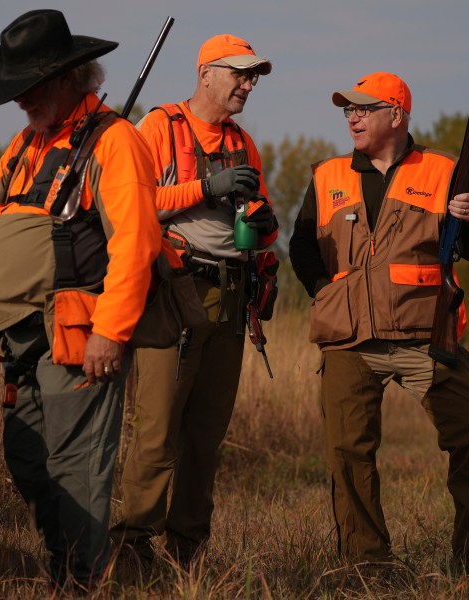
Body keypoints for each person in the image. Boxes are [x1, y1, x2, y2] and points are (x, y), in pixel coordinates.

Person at [0, 9, 162, 589]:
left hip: (76, 338)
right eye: (15, 91)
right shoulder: (26, 145)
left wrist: (110, 333)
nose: (20, 102)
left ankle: (82, 580)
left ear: (70, 78)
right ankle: (66, 564)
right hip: (15, 344)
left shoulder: (115, 142)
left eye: (30, 88)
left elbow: (137, 244)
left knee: (76, 467)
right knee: (28, 459)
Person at [288, 72, 469, 568]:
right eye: (348, 109)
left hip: (422, 332)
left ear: (397, 115)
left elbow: (468, 250)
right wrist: (324, 292)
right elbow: (301, 245)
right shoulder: (327, 175)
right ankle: (366, 564)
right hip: (348, 336)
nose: (352, 116)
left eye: (364, 109)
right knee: (347, 451)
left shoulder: (441, 169)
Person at [110, 34, 279, 564]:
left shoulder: (244, 142)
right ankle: (134, 545)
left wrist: (268, 227)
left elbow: (258, 218)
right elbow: (131, 203)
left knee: (206, 435)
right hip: (174, 295)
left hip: (231, 299)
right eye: (241, 74)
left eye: (254, 77)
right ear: (206, 73)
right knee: (157, 429)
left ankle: (187, 549)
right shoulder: (158, 126)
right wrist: (207, 188)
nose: (249, 85)